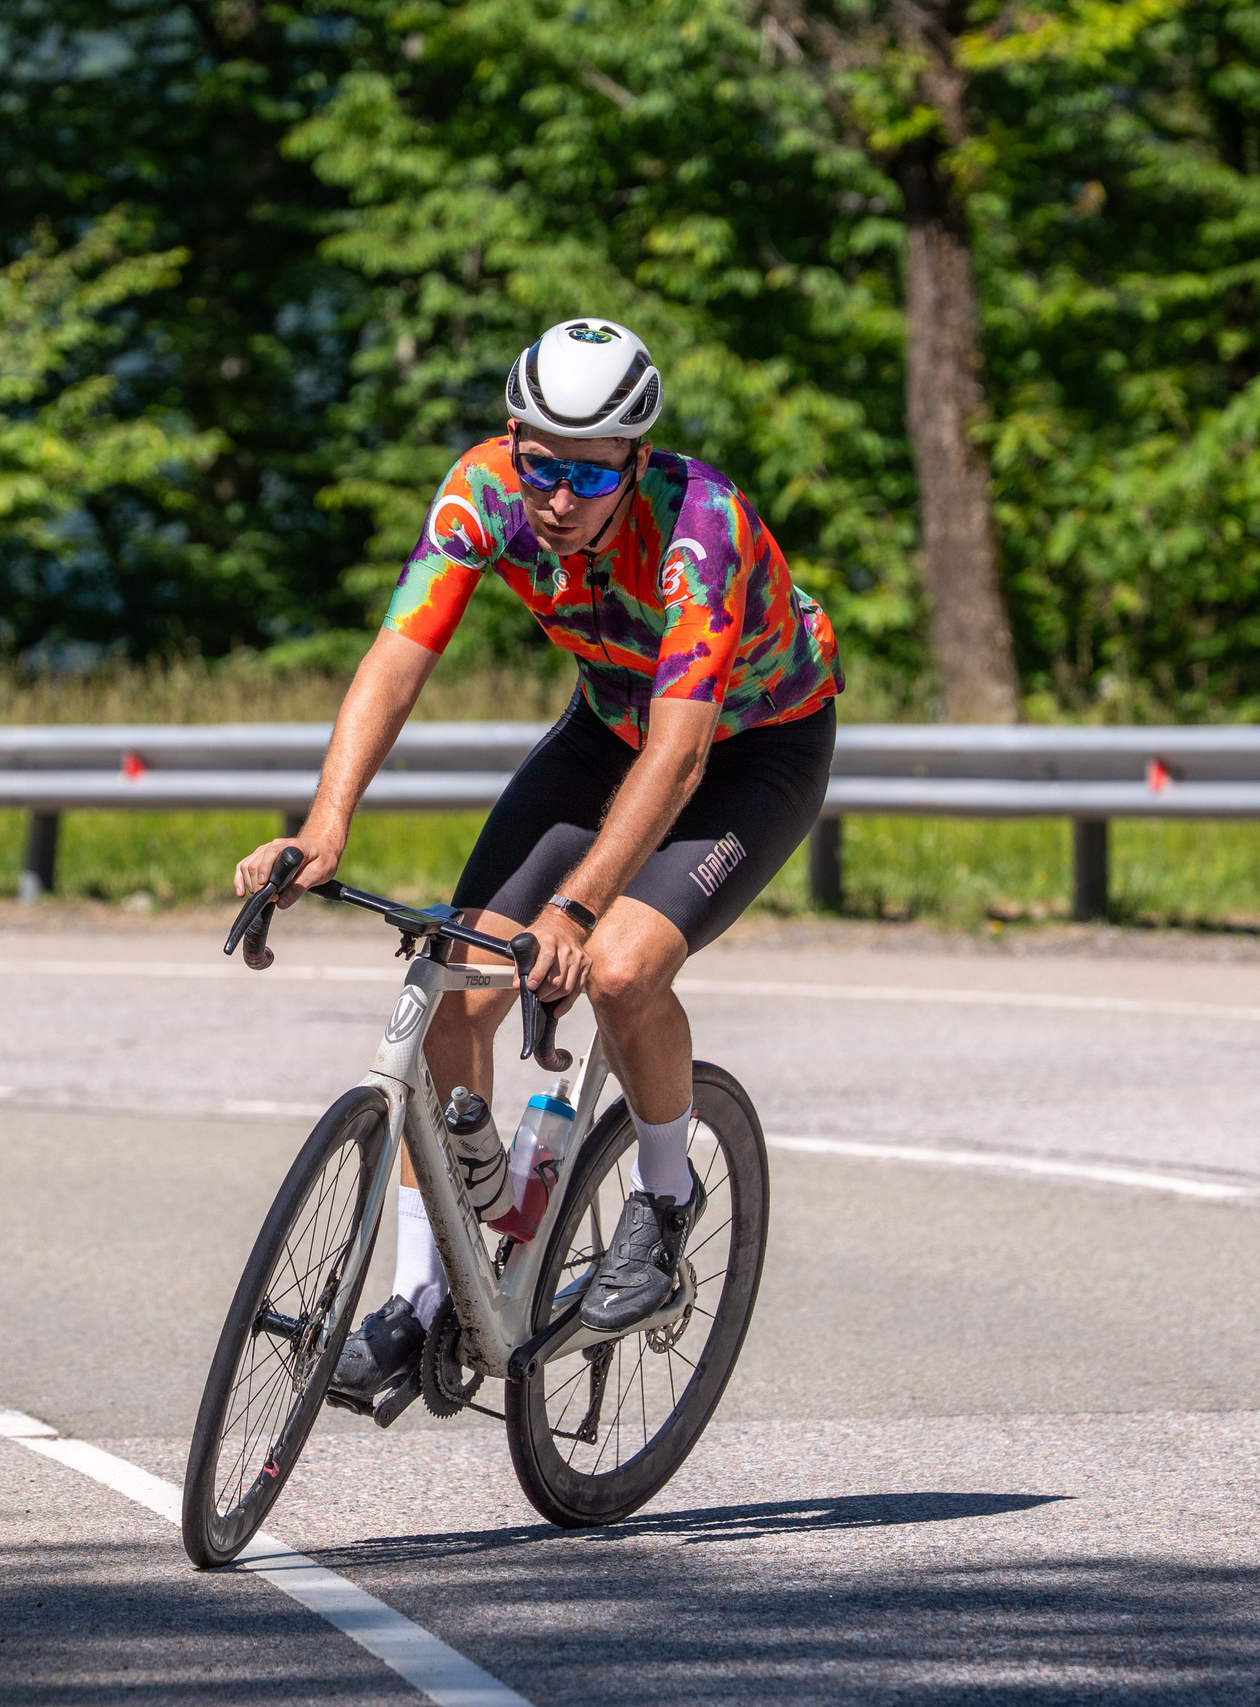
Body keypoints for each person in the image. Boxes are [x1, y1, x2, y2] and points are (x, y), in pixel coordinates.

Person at [233, 317, 843, 1404]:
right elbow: (399, 655)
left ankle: (659, 1206)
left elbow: (682, 749)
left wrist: (574, 906)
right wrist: (323, 825)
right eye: (539, 462)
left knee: (615, 966)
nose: (555, 496)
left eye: (587, 474)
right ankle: (424, 1298)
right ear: (512, 438)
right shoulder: (484, 489)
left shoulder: (701, 528)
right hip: (606, 727)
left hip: (751, 745)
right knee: (451, 989)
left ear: (635, 462)